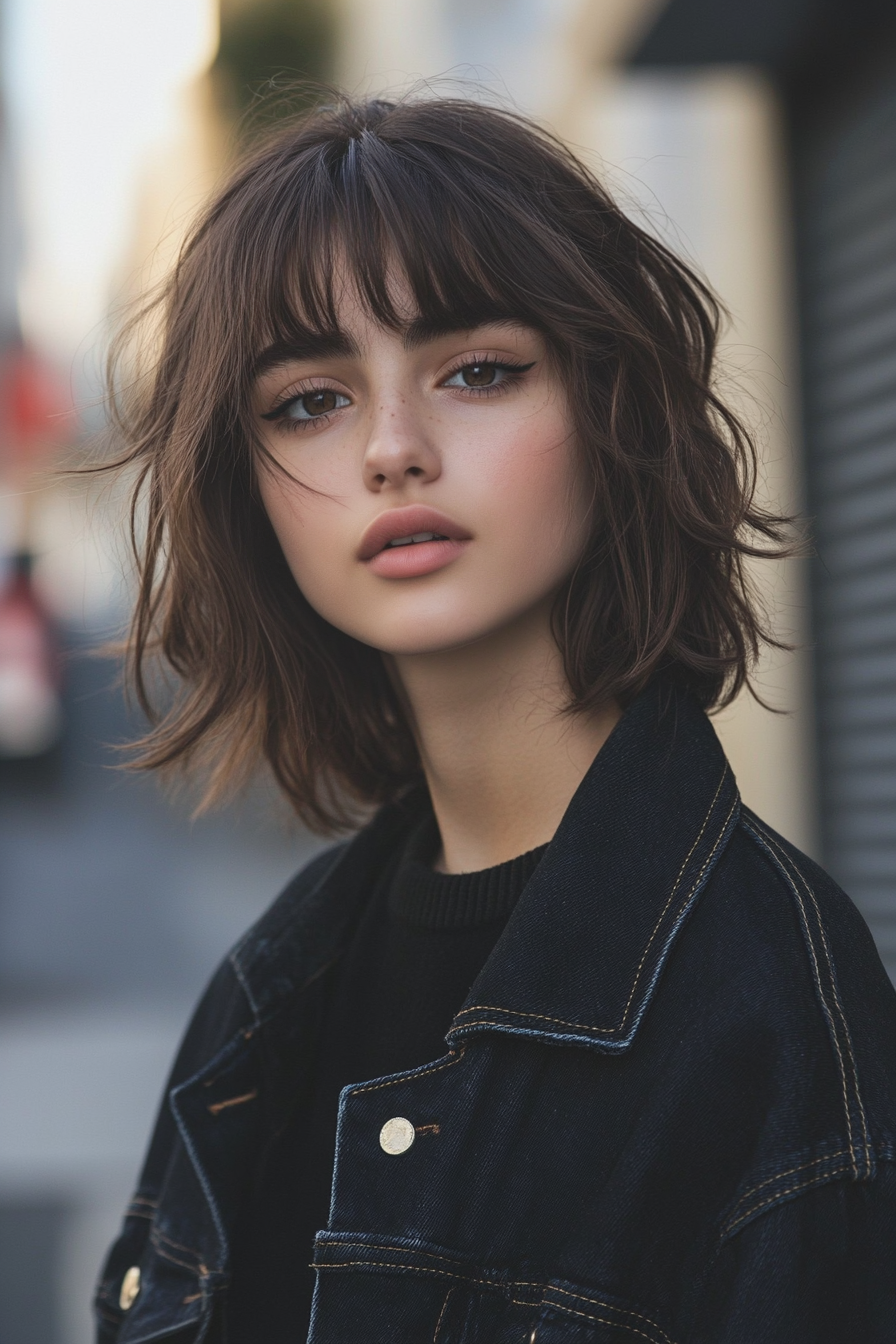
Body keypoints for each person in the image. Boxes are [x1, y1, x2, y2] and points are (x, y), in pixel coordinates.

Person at [93, 95, 896, 1344]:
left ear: (606, 408)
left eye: (477, 371)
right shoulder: (267, 996)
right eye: (309, 399)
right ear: (248, 493)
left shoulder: (767, 1006)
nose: (392, 449)